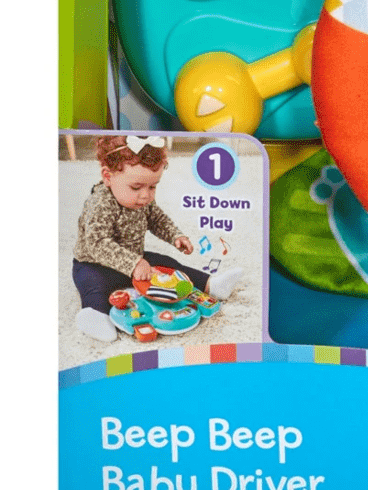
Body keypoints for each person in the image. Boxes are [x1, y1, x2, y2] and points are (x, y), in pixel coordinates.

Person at [72, 136, 243, 343]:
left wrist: (176, 235)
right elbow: (97, 243)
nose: (146, 195)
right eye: (136, 187)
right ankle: (95, 315)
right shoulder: (100, 203)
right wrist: (134, 263)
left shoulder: (142, 200)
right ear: (108, 177)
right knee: (93, 286)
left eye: (152, 187)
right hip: (94, 265)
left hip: (137, 261)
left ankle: (211, 284)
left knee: (168, 264)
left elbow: (157, 219)